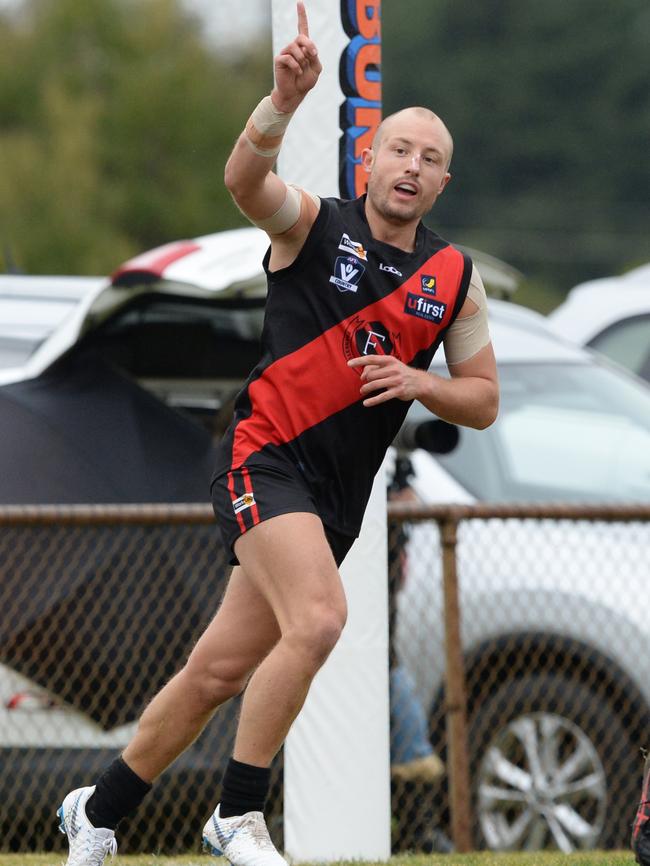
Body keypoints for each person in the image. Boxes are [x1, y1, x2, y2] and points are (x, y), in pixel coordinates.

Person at [57, 3, 499, 864]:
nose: (412, 166)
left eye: (432, 160)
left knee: (216, 673)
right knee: (324, 618)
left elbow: (482, 399)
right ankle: (239, 814)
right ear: (370, 159)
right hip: (265, 458)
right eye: (400, 149)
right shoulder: (312, 222)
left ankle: (99, 812)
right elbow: (243, 182)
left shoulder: (453, 278)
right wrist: (281, 103)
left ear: (444, 184)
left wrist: (420, 382)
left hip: (332, 501)